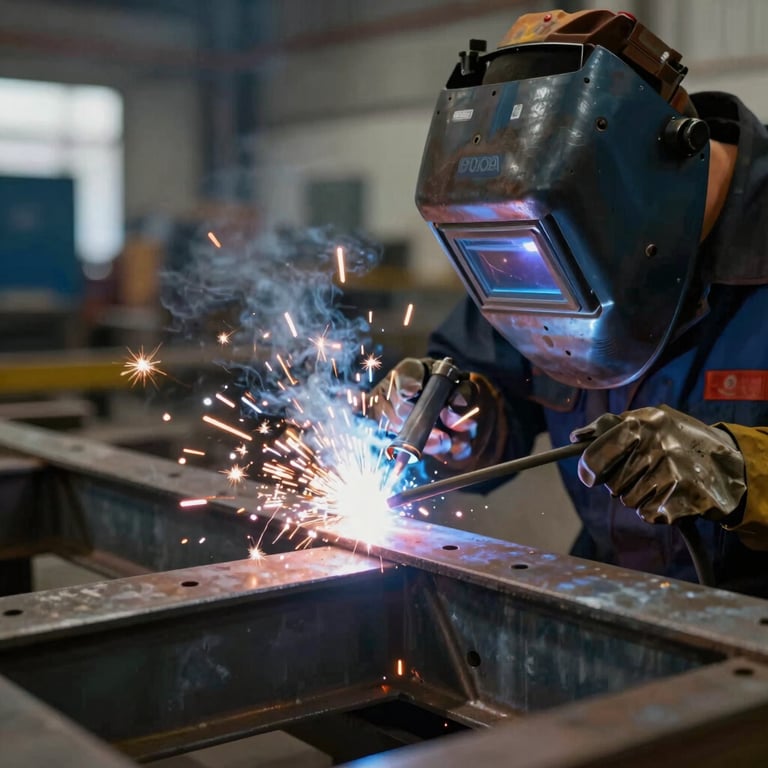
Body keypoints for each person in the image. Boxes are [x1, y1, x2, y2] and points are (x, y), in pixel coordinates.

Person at [368, 9, 768, 597]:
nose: (541, 283)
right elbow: (493, 386)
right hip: (614, 593)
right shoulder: (530, 239)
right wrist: (455, 420)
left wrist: (738, 472)